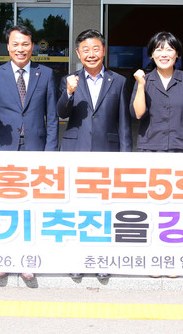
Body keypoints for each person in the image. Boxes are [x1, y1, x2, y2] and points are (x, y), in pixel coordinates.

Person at [0, 24, 58, 281]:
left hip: (35, 148)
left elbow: (52, 117)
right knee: (2, 205)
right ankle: (2, 258)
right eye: (15, 44)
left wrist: (50, 152)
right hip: (3, 147)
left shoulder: (45, 74)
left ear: (32, 46)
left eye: (25, 44)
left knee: (32, 206)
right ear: (8, 47)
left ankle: (28, 259)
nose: (20, 49)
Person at [58, 29, 131, 281]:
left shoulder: (118, 81)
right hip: (75, 151)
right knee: (76, 208)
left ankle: (102, 259)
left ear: (104, 51)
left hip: (107, 152)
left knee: (105, 209)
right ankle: (76, 260)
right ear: (78, 53)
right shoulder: (69, 80)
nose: (91, 54)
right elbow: (61, 113)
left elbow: (124, 122)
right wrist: (68, 92)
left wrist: (126, 156)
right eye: (86, 50)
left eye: (96, 49)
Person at [130, 31, 183, 153]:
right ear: (152, 54)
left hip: (181, 147)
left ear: (177, 54)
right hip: (149, 148)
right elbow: (138, 114)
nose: (164, 55)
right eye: (159, 50)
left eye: (169, 50)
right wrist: (141, 85)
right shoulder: (144, 80)